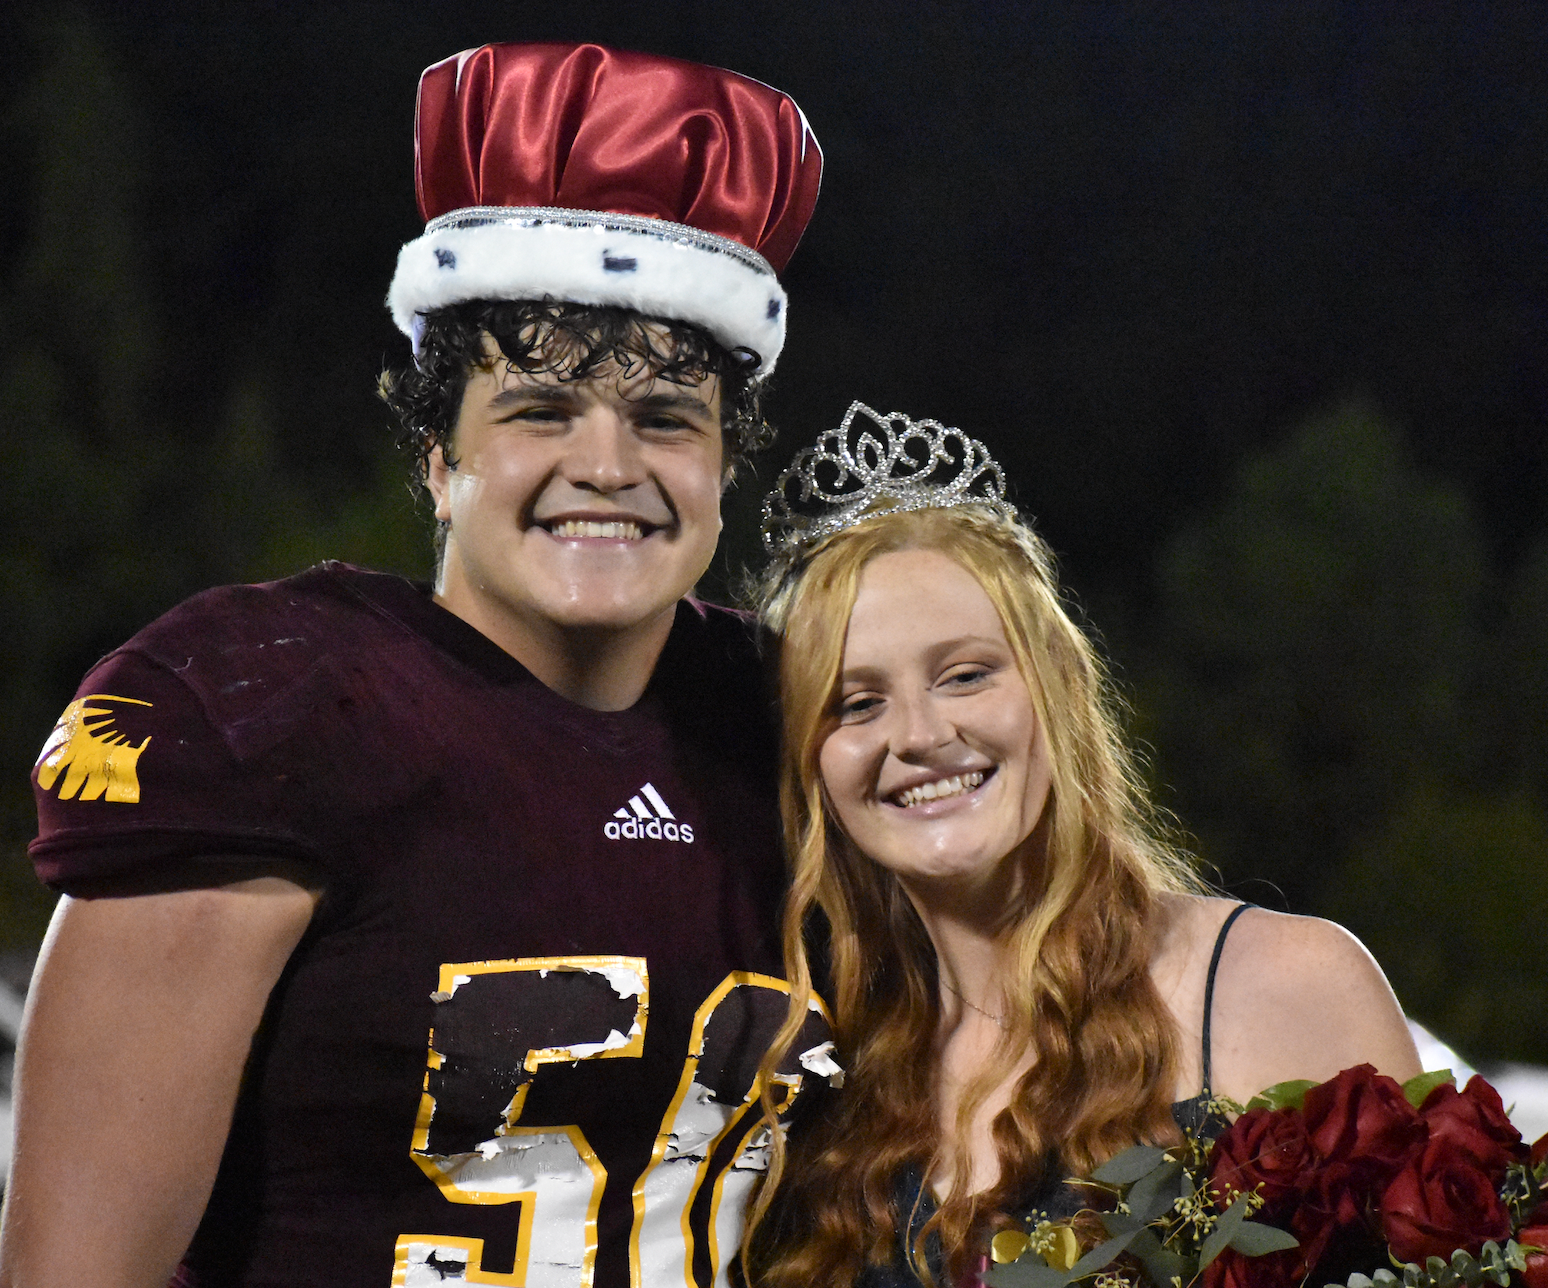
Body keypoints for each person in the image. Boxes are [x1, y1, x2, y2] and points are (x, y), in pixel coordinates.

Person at [3, 43, 832, 1288]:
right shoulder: (270, 704)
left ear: (723, 474)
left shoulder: (795, 715)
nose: (609, 464)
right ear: (440, 465)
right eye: (540, 409)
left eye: (667, 417)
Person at [743, 404, 1422, 1287]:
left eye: (965, 675)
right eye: (855, 702)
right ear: (810, 763)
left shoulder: (1284, 985)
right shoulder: (816, 1079)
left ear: (1056, 691)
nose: (916, 734)